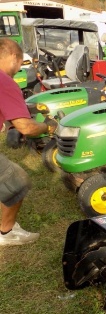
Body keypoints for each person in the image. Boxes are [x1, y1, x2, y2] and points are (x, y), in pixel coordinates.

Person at [0, 38, 56, 246]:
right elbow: (26, 127)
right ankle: (7, 233)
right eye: (21, 63)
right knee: (17, 182)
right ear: (14, 57)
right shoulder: (4, 80)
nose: (19, 68)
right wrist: (48, 127)